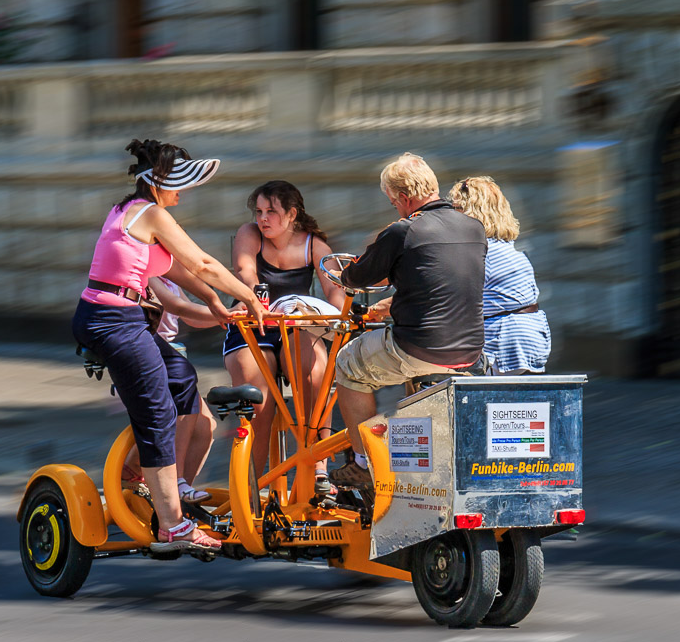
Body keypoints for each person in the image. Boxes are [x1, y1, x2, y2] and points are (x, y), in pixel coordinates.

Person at [73, 138, 269, 553]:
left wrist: (217, 302)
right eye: (179, 183)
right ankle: (171, 525)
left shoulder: (134, 211)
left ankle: (145, 476)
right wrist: (249, 298)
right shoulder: (150, 213)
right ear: (160, 182)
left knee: (181, 377)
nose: (183, 192)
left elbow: (177, 269)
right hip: (110, 320)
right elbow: (203, 263)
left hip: (124, 318)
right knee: (156, 410)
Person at [330, 153, 487, 486]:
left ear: (404, 197)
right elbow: (438, 285)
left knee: (347, 365)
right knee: (414, 377)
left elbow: (357, 277)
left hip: (419, 347)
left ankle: (363, 462)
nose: (396, 209)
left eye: (393, 203)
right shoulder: (474, 228)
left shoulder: (403, 230)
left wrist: (343, 276)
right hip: (470, 351)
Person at [225, 180, 345, 488]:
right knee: (259, 401)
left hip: (294, 325)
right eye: (259, 211)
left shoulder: (314, 244)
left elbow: (335, 290)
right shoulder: (249, 234)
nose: (262, 218)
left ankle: (319, 470)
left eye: (271, 212)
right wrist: (252, 297)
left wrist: (337, 318)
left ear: (292, 214)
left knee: (317, 375)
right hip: (256, 324)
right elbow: (246, 272)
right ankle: (250, 488)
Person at [120, 276, 223, 504]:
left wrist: (231, 317)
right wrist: (224, 312)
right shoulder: (148, 272)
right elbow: (176, 306)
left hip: (171, 355)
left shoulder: (170, 278)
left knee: (206, 426)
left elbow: (190, 316)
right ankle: (173, 484)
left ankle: (177, 491)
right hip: (149, 355)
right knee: (179, 420)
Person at [447, 177, 550, 374]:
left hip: (503, 344)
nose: (452, 216)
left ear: (471, 212)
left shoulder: (478, 251)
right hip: (532, 340)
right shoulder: (505, 247)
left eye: (456, 208)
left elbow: (443, 297)